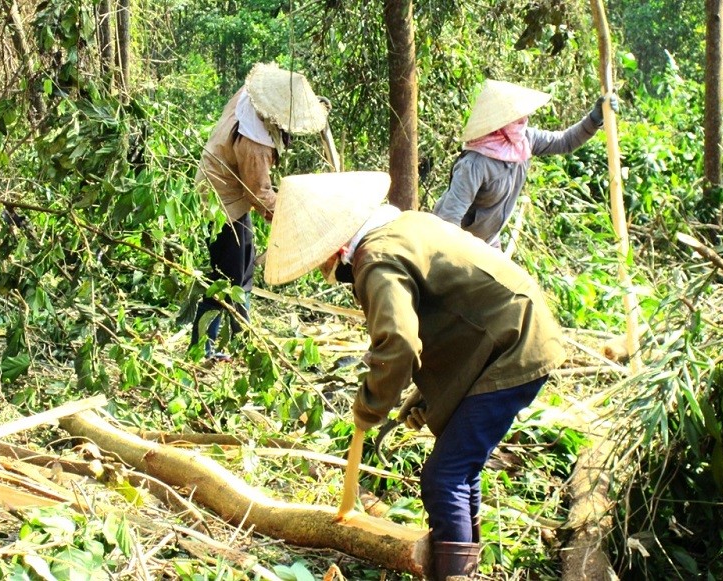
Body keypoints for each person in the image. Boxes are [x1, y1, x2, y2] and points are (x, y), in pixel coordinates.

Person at [263, 171, 567, 580]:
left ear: (336, 249)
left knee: (445, 477)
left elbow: (400, 341)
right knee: (459, 468)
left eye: (324, 264)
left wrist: (370, 406)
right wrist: (426, 393)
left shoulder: (376, 258)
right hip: (511, 333)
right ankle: (465, 568)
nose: (326, 272)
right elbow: (452, 312)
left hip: (513, 346)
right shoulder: (406, 225)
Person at [191, 62, 330, 360]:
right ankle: (203, 347)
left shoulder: (252, 95)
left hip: (229, 193)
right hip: (220, 201)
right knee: (226, 277)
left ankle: (241, 335)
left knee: (245, 269)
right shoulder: (255, 144)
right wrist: (295, 211)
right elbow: (259, 194)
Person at [433, 78, 619, 249]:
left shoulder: (525, 141)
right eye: (517, 118)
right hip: (462, 245)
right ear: (501, 123)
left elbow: (565, 141)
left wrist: (594, 119)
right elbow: (449, 218)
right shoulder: (475, 164)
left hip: (489, 242)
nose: (524, 121)